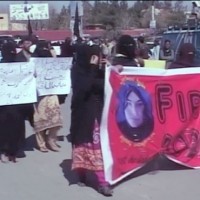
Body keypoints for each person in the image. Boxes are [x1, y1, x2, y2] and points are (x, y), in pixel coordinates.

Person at [70, 42, 113, 196]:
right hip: (83, 115)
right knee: (83, 145)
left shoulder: (98, 70)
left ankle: (102, 181)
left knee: (98, 149)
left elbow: (106, 86)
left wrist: (108, 69)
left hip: (98, 113)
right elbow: (85, 88)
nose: (95, 59)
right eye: (92, 56)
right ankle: (87, 176)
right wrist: (94, 68)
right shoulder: (77, 71)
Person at [32, 41, 63, 152]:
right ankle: (41, 143)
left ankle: (51, 140)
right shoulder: (33, 61)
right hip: (39, 95)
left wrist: (53, 55)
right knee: (41, 118)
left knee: (55, 118)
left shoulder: (52, 60)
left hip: (52, 92)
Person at [0, 42, 26, 163]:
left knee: (17, 127)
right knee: (4, 128)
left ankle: (14, 150)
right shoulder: (1, 65)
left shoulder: (19, 65)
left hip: (17, 103)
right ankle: (3, 151)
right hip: (3, 105)